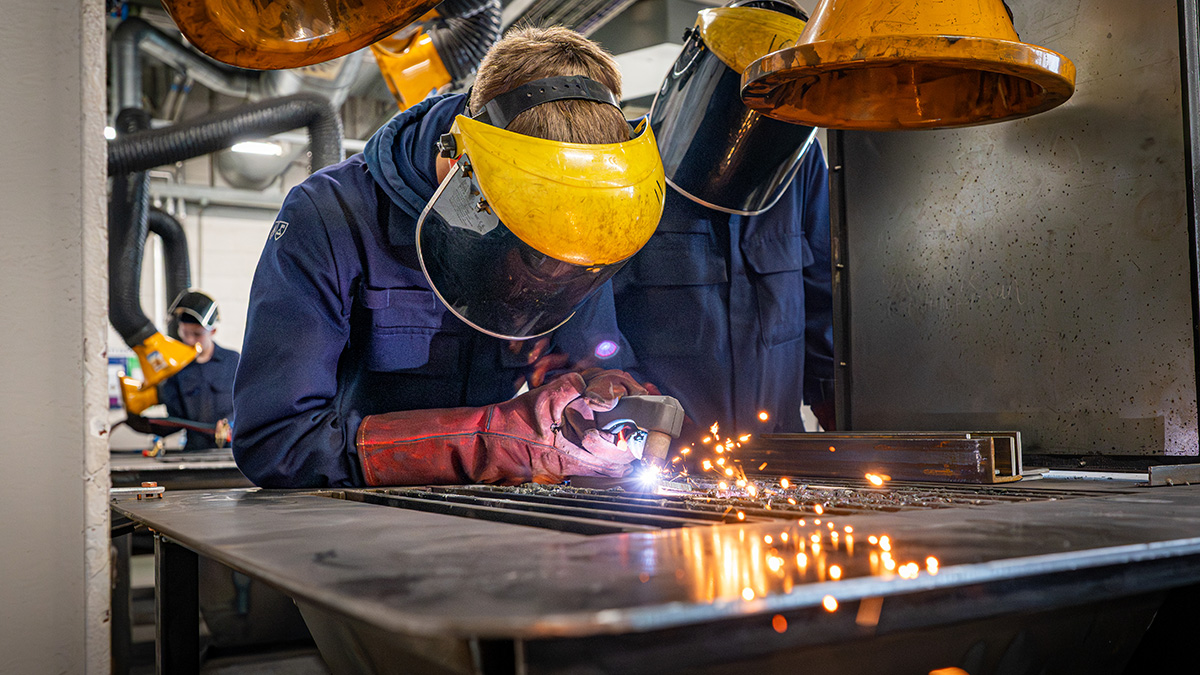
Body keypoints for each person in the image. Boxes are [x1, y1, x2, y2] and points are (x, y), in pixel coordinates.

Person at [233, 26, 665, 488]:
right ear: (464, 168)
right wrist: (489, 442)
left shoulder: (579, 228)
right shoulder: (329, 215)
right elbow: (278, 443)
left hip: (497, 513)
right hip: (351, 514)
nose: (553, 270)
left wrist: (606, 398)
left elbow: (581, 360)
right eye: (532, 248)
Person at [612, 0, 836, 444]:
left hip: (779, 447)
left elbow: (822, 290)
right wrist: (637, 414)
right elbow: (597, 331)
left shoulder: (801, 164)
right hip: (668, 453)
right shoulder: (622, 163)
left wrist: (834, 403)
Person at [156, 289, 239, 450]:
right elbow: (175, 419)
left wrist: (230, 422)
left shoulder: (232, 362)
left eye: (197, 334)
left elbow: (248, 404)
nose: (190, 340)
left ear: (213, 331)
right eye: (185, 333)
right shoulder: (176, 368)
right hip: (194, 452)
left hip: (231, 451)